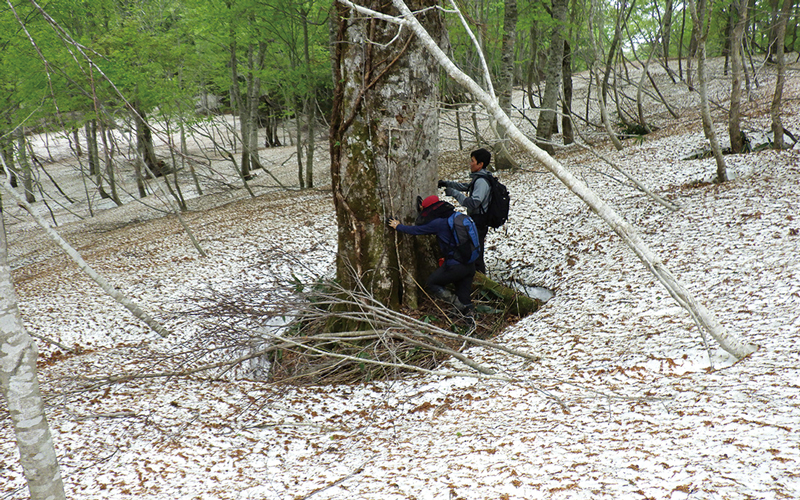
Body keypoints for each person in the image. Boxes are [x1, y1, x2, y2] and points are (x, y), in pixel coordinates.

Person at [386, 195, 475, 315]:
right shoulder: (454, 216)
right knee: (464, 295)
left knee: (432, 283)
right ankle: (470, 322)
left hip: (455, 265)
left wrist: (398, 226)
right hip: (469, 263)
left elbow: (417, 230)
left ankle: (456, 304)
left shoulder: (438, 223)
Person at [438, 148, 493, 274]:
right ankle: (474, 276)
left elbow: (473, 202)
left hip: (479, 221)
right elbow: (466, 187)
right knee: (473, 249)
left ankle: (480, 279)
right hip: (477, 220)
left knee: (476, 251)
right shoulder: (480, 178)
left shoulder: (481, 181)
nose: (470, 163)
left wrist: (454, 194)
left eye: (472, 161)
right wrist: (447, 183)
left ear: (480, 164)